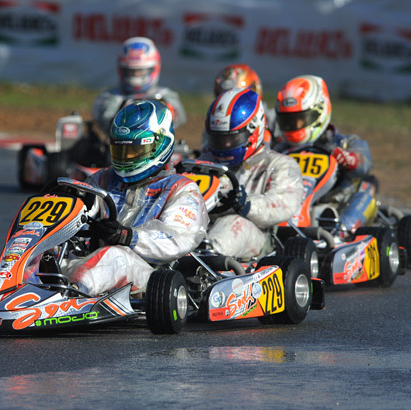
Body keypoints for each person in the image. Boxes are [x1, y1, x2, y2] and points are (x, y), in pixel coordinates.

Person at [66, 100, 208, 296]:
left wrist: (127, 236)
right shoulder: (103, 179)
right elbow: (78, 216)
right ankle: (16, 287)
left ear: (160, 144)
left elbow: (177, 238)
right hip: (96, 264)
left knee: (115, 257)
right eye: (121, 151)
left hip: (153, 278)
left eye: (134, 151)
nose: (127, 158)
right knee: (49, 253)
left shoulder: (181, 188)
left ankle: (70, 295)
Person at [201, 87, 304, 260]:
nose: (225, 145)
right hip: (202, 228)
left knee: (234, 223)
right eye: (219, 139)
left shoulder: (279, 164)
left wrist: (247, 204)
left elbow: (284, 203)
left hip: (257, 235)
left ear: (253, 131)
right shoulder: (204, 161)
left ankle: (205, 260)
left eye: (231, 139)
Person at [274, 74, 376, 234]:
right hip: (288, 207)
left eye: (301, 119)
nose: (294, 126)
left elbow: (363, 164)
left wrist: (341, 155)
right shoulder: (280, 148)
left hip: (334, 204)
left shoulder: (343, 143)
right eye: (288, 121)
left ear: (320, 111)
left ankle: (341, 233)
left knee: (366, 189)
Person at [92, 37, 187, 137]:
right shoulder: (112, 96)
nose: (136, 75)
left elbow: (181, 118)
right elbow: (106, 122)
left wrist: (171, 114)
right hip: (123, 146)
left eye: (141, 71)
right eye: (131, 71)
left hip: (159, 144)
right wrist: (124, 114)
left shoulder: (165, 95)